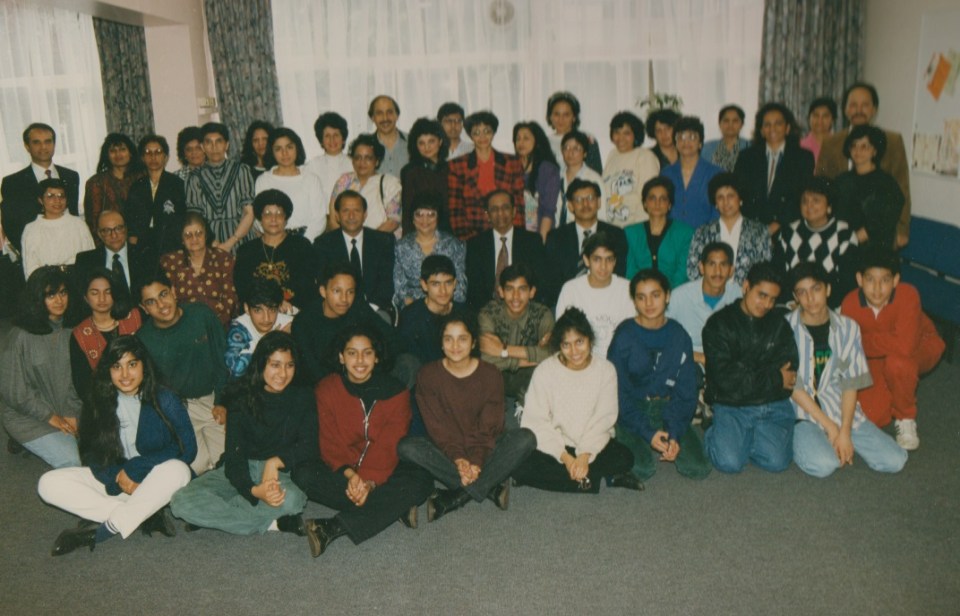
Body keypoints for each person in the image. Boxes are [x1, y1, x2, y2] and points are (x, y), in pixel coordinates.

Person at [38, 335, 196, 556]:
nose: (125, 375)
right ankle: (143, 514)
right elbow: (90, 454)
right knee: (48, 484)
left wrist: (136, 467)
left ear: (144, 366)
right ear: (108, 371)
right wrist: (118, 478)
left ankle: (102, 531)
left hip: (157, 480)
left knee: (178, 470)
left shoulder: (164, 398)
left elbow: (187, 448)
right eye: (116, 366)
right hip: (119, 483)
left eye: (132, 364)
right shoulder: (98, 401)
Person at [293, 325, 434, 556]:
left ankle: (333, 527)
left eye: (367, 353)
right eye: (352, 353)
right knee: (304, 474)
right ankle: (393, 507)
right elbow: (330, 443)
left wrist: (368, 482)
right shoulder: (327, 389)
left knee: (422, 480)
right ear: (341, 357)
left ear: (376, 357)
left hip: (383, 471)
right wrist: (351, 476)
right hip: (341, 471)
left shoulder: (396, 392)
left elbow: (389, 445)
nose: (360, 360)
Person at [170, 331, 313, 538]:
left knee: (293, 500)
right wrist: (254, 491)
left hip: (278, 474)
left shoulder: (303, 396)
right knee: (180, 502)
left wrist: (274, 463)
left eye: (289, 365)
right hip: (237, 469)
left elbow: (310, 445)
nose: (282, 373)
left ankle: (215, 514)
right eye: (275, 365)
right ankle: (274, 523)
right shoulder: (241, 396)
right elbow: (234, 457)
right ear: (261, 364)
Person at [398, 313, 536, 521]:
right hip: (446, 448)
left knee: (526, 438)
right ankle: (489, 486)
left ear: (473, 343)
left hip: (485, 446)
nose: (455, 346)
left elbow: (489, 426)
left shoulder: (490, 373)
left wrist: (476, 460)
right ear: (441, 343)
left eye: (462, 339)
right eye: (448, 339)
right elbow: (438, 428)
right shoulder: (428, 375)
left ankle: (455, 497)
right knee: (407, 447)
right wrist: (459, 458)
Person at [786, 263, 907, 478]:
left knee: (895, 460)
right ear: (795, 297)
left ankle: (829, 440)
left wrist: (844, 431)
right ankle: (805, 441)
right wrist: (830, 427)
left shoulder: (848, 328)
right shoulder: (785, 328)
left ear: (828, 290)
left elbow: (851, 383)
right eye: (802, 292)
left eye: (816, 289)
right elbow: (793, 386)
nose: (810, 298)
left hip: (838, 407)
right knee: (825, 465)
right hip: (802, 413)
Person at [512, 307, 639, 493]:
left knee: (625, 457)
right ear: (559, 346)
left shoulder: (606, 370)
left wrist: (585, 455)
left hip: (592, 443)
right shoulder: (545, 371)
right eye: (566, 345)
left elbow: (604, 419)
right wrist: (565, 457)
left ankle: (574, 479)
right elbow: (536, 421)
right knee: (519, 464)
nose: (574, 351)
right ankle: (592, 480)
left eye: (579, 342)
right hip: (556, 445)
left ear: (590, 340)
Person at [609, 269, 710, 481]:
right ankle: (623, 437)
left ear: (667, 296)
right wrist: (648, 433)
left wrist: (674, 433)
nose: (649, 303)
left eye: (655, 295)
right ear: (634, 301)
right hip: (632, 409)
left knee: (699, 468)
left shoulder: (679, 335)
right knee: (642, 469)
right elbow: (618, 394)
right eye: (641, 297)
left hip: (668, 406)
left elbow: (686, 392)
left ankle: (664, 436)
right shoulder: (624, 335)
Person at [840, 248, 944, 450]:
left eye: (885, 280)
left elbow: (905, 346)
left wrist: (862, 341)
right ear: (859, 279)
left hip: (921, 345)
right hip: (879, 355)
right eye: (870, 280)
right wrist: (873, 343)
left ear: (896, 280)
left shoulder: (908, 294)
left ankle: (906, 417)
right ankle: (896, 392)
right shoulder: (850, 304)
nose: (877, 289)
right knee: (873, 416)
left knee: (899, 364)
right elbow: (850, 350)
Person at [702, 262, 799, 473]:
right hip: (731, 404)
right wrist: (775, 378)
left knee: (777, 462)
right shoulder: (718, 324)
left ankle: (740, 439)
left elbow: (790, 373)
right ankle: (715, 432)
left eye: (772, 299)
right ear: (746, 286)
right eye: (761, 295)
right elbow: (726, 381)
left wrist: (746, 376)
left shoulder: (779, 325)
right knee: (729, 463)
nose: (767, 304)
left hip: (771, 405)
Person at [137, 271, 229, 474]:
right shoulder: (143, 339)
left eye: (163, 294)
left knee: (227, 462)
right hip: (180, 410)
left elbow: (223, 360)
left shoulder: (201, 314)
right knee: (193, 470)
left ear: (174, 291)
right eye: (151, 302)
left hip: (213, 401)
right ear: (144, 308)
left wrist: (222, 401)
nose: (161, 305)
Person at [0, 266, 81, 468]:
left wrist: (72, 413)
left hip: (68, 409)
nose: (59, 300)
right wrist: (50, 417)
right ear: (37, 298)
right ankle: (23, 439)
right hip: (28, 416)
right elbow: (15, 394)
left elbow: (79, 380)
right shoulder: (19, 336)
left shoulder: (76, 330)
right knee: (72, 461)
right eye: (50, 295)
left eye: (63, 292)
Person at [816, 82, 911, 248]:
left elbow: (902, 186)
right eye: (853, 105)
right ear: (845, 110)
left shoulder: (893, 141)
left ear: (874, 110)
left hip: (879, 230)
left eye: (865, 105)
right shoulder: (831, 143)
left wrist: (902, 230)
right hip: (841, 230)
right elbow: (821, 184)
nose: (858, 110)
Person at [291, 263, 401, 385]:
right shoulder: (303, 322)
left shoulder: (358, 308)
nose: (344, 299)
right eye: (337, 291)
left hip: (363, 376)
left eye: (350, 292)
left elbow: (392, 338)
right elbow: (312, 371)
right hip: (327, 386)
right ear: (323, 291)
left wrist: (374, 368)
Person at [477, 264, 554, 417]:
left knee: (547, 371)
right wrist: (530, 358)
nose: (516, 296)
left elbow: (552, 353)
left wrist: (503, 350)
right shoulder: (489, 313)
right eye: (510, 289)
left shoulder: (542, 314)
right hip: (496, 374)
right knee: (482, 371)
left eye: (522, 289)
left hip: (529, 376)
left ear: (532, 292)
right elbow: (485, 357)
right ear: (500, 291)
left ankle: (526, 410)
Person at [774, 177, 858, 307]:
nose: (809, 206)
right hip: (793, 306)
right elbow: (779, 276)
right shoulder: (788, 233)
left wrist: (818, 307)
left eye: (816, 200)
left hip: (830, 307)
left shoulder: (844, 234)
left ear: (829, 206)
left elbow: (847, 284)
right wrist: (792, 303)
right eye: (804, 201)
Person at [543, 178, 628, 306]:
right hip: (568, 301)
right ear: (570, 206)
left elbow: (619, 273)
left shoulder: (616, 234)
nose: (585, 204)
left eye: (590, 198)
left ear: (599, 202)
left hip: (608, 300)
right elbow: (551, 281)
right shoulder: (556, 237)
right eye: (578, 200)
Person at [734, 102, 814, 235]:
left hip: (788, 226)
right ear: (761, 130)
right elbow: (740, 193)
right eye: (767, 124)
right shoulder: (746, 157)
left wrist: (779, 223)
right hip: (752, 227)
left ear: (787, 128)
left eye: (778, 123)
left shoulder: (803, 157)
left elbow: (802, 195)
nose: (773, 128)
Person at [1, 122, 81, 255]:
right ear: (27, 146)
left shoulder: (71, 176)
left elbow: (73, 214)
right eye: (36, 142)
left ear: (54, 144)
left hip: (70, 250)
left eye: (48, 141)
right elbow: (11, 226)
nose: (43, 147)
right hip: (35, 254)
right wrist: (33, 251)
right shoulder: (13, 183)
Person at [313, 190, 396, 316]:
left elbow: (386, 283)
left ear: (365, 214)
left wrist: (369, 310)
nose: (351, 216)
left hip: (375, 309)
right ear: (337, 216)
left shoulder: (383, 241)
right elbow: (323, 282)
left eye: (356, 210)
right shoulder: (323, 244)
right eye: (345, 211)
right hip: (338, 310)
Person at [447, 110, 526, 241]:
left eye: (487, 131)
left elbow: (518, 204)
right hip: (472, 235)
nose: (482, 137)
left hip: (506, 231)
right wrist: (467, 240)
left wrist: (516, 236)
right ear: (470, 136)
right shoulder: (457, 166)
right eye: (476, 133)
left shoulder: (512, 162)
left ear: (493, 132)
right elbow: (455, 210)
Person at [235, 189, 316, 313]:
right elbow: (244, 290)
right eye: (267, 213)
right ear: (260, 219)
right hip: (258, 313)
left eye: (279, 213)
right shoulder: (246, 251)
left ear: (286, 219)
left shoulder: (301, 246)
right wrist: (273, 304)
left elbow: (306, 288)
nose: (273, 219)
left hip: (294, 312)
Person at [555, 232, 634, 359]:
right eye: (597, 259)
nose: (603, 266)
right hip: (580, 361)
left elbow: (633, 335)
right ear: (586, 260)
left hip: (620, 360)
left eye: (609, 259)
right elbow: (563, 335)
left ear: (615, 261)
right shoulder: (571, 289)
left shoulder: (627, 288)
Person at [70, 266, 143, 404]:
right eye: (94, 293)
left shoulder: (134, 317)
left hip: (143, 395)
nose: (102, 298)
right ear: (85, 297)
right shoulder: (80, 334)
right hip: (106, 403)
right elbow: (83, 385)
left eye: (108, 292)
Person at [465, 189, 545, 311]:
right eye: (494, 209)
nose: (500, 213)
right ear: (487, 215)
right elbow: (474, 291)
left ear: (514, 212)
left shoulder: (532, 242)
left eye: (505, 208)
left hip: (525, 310)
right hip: (488, 313)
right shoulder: (475, 245)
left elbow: (539, 283)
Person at [686, 172, 771, 286]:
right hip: (711, 293)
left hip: (745, 293)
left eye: (730, 196)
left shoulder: (759, 231)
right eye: (720, 197)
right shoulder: (702, 232)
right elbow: (693, 269)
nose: (725, 202)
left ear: (740, 199)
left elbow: (764, 269)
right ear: (715, 203)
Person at [667, 242, 742, 370]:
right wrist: (700, 357)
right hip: (687, 362)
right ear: (701, 268)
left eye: (723, 265)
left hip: (726, 364)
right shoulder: (680, 297)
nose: (717, 271)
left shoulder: (738, 296)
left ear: (731, 270)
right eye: (712, 264)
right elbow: (662, 337)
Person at [185, 122, 257, 253]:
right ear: (203, 147)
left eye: (219, 141)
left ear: (226, 145)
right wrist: (214, 243)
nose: (214, 147)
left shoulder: (241, 170)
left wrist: (230, 242)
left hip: (241, 238)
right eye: (209, 142)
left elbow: (249, 212)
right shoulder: (194, 177)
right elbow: (195, 217)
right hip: (208, 242)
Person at [159, 212, 239, 327]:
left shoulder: (223, 259)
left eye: (198, 233)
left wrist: (215, 327)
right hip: (185, 326)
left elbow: (231, 298)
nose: (194, 239)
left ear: (206, 235)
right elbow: (170, 299)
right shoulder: (171, 262)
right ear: (182, 239)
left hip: (220, 324)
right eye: (188, 235)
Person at [833, 125, 904, 252]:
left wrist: (852, 240)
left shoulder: (886, 183)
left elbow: (883, 221)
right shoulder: (841, 180)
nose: (857, 151)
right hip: (842, 242)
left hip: (873, 248)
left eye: (864, 146)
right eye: (854, 146)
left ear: (874, 151)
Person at [255, 127, 327, 241]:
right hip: (275, 241)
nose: (285, 153)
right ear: (271, 152)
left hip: (307, 241)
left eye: (289, 147)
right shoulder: (263, 180)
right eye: (278, 149)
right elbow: (258, 217)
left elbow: (319, 219)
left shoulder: (311, 179)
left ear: (297, 148)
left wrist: (303, 242)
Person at [393, 198, 466, 307]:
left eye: (431, 215)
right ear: (412, 219)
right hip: (414, 307)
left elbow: (460, 286)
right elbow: (399, 289)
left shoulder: (453, 244)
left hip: (446, 304)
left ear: (438, 218)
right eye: (419, 214)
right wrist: (417, 308)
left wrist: (444, 307)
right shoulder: (401, 247)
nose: (425, 220)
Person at [397, 254, 469, 365]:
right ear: (424, 285)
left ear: (455, 284)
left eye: (448, 283)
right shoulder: (410, 317)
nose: (443, 291)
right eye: (435, 284)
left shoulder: (465, 313)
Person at [623, 176, 693, 288]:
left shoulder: (685, 233)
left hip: (674, 293)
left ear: (669, 204)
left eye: (663, 199)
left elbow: (682, 273)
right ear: (645, 203)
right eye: (652, 198)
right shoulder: (630, 233)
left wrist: (666, 293)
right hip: (639, 292)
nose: (657, 203)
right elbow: (630, 272)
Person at [125, 134, 187, 258]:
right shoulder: (136, 187)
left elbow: (182, 217)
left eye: (158, 152)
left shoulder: (177, 184)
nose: (153, 157)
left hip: (170, 244)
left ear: (165, 157)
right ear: (142, 158)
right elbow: (131, 220)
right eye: (148, 152)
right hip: (143, 246)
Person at [328, 133, 402, 236]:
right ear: (352, 161)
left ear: (377, 161)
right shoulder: (344, 181)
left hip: (381, 240)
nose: (362, 162)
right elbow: (334, 218)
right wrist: (345, 242)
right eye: (357, 157)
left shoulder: (389, 183)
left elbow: (393, 221)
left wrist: (367, 241)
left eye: (368, 158)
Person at [20, 178, 95, 277]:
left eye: (61, 196)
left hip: (78, 280)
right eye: (50, 196)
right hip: (46, 283)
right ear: (41, 200)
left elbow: (90, 260)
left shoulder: (78, 224)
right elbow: (30, 269)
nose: (57, 200)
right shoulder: (32, 229)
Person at [661, 115, 724, 230]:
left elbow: (719, 211)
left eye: (692, 137)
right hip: (673, 236)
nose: (686, 142)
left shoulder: (716, 174)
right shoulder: (666, 174)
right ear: (676, 143)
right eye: (681, 137)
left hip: (706, 235)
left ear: (700, 143)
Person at [225, 278, 293, 379]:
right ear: (247, 308)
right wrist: (270, 343)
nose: (266, 318)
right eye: (258, 310)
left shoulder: (287, 323)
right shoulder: (239, 329)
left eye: (272, 310)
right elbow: (235, 369)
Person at [74, 210, 150, 298]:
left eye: (118, 228)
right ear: (99, 234)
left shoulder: (145, 255)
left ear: (126, 229)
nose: (114, 235)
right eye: (106, 231)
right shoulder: (85, 260)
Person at [602, 111, 660, 227]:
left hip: (635, 226)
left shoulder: (645, 156)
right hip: (610, 225)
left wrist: (637, 230)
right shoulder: (612, 155)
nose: (620, 138)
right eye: (617, 132)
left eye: (627, 133)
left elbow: (648, 197)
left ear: (635, 135)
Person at [83, 133, 144, 239]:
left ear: (130, 153)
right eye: (112, 151)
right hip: (110, 239)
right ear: (107, 155)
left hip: (141, 238)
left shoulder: (142, 177)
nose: (118, 154)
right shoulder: (96, 182)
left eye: (122, 149)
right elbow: (93, 222)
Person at [400, 117, 450, 235]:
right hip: (420, 233)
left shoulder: (451, 169)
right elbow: (407, 212)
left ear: (440, 141)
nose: (427, 147)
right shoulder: (409, 172)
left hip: (448, 233)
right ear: (415, 146)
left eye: (431, 141)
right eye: (421, 143)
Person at [512, 121, 561, 239]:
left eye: (526, 138)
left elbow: (548, 212)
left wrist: (540, 244)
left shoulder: (548, 170)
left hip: (541, 234)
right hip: (516, 234)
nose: (521, 143)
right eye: (518, 139)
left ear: (537, 142)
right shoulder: (511, 167)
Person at [555, 130, 607, 228]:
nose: (570, 152)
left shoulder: (593, 179)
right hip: (560, 232)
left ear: (585, 153)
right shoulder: (556, 177)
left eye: (576, 148)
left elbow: (602, 213)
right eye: (566, 148)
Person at [544, 91, 603, 174]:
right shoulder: (544, 143)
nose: (561, 119)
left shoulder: (587, 139)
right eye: (557, 114)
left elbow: (596, 173)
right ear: (550, 116)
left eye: (566, 115)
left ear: (574, 117)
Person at [304, 112, 353, 199]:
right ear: (321, 140)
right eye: (327, 136)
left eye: (336, 135)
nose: (332, 140)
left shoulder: (353, 164)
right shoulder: (312, 166)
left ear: (343, 138)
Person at [368, 95, 408, 178]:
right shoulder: (366, 147)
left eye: (389, 112)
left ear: (397, 115)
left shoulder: (413, 142)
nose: (385, 118)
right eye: (379, 113)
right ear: (372, 118)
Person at [701, 104, 750, 172]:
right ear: (720, 124)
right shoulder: (707, 148)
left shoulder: (750, 146)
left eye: (735, 121)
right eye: (726, 121)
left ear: (741, 124)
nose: (730, 125)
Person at [799, 97, 837, 165]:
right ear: (808, 118)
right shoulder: (800, 146)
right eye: (815, 115)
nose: (820, 120)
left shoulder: (840, 145)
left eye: (825, 116)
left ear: (833, 120)